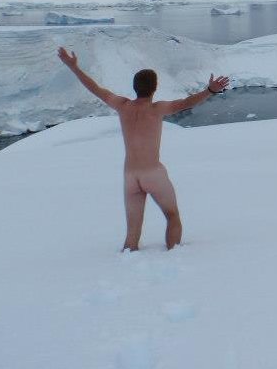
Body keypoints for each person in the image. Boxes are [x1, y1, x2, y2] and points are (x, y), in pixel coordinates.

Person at [57, 46, 230, 252]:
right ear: (154, 88)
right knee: (172, 215)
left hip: (130, 176)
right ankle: (175, 254)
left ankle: (128, 260)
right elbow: (186, 103)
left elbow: (95, 88)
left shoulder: (122, 106)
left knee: (132, 232)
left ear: (135, 87)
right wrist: (210, 91)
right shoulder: (157, 109)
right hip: (153, 173)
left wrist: (73, 67)